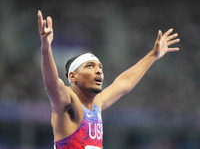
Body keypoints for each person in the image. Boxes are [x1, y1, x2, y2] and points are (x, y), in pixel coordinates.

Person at [37, 10, 180, 149]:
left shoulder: (96, 105)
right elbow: (52, 86)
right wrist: (45, 48)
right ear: (73, 76)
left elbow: (124, 83)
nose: (99, 70)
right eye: (90, 66)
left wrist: (153, 55)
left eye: (100, 67)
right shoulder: (68, 103)